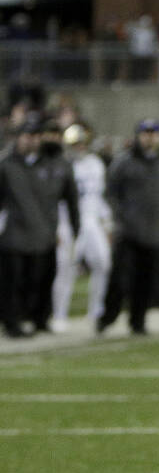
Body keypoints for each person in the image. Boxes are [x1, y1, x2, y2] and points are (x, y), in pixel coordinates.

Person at [98, 119, 159, 336]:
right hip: (128, 231)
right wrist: (119, 217)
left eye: (154, 133)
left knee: (145, 280)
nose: (150, 137)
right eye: (146, 133)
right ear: (138, 136)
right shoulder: (124, 162)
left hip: (155, 231)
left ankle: (138, 321)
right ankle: (108, 316)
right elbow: (110, 193)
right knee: (120, 278)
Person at [0, 118, 78, 337]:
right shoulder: (6, 165)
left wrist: (73, 226)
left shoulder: (53, 164)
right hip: (15, 233)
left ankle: (40, 319)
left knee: (42, 279)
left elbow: (68, 198)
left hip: (45, 232)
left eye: (36, 136)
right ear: (18, 138)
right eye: (28, 136)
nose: (32, 140)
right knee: (14, 282)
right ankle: (12, 323)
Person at [50, 123, 111, 331]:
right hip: (68, 220)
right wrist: (57, 226)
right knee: (65, 268)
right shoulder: (61, 165)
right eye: (76, 143)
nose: (80, 147)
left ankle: (96, 310)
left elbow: (99, 196)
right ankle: (59, 314)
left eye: (83, 142)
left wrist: (107, 222)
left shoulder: (96, 164)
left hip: (92, 219)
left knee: (103, 262)